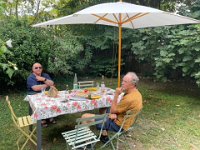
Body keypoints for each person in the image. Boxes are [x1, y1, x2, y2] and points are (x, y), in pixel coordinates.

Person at [81, 72, 143, 143]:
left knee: (84, 116)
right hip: (124, 120)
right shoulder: (137, 94)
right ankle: (104, 136)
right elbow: (118, 109)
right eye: (123, 80)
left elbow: (113, 110)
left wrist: (116, 94)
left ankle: (86, 144)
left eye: (125, 82)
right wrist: (113, 113)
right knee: (103, 108)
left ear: (132, 84)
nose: (122, 83)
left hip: (118, 125)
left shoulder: (129, 98)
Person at [27, 62, 56, 127]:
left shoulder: (45, 75)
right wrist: (47, 84)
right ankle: (42, 119)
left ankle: (49, 116)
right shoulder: (30, 77)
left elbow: (52, 83)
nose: (38, 69)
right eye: (36, 68)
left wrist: (43, 79)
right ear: (33, 69)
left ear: (42, 69)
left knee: (51, 101)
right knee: (39, 104)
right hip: (34, 95)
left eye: (40, 67)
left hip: (45, 94)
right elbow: (35, 88)